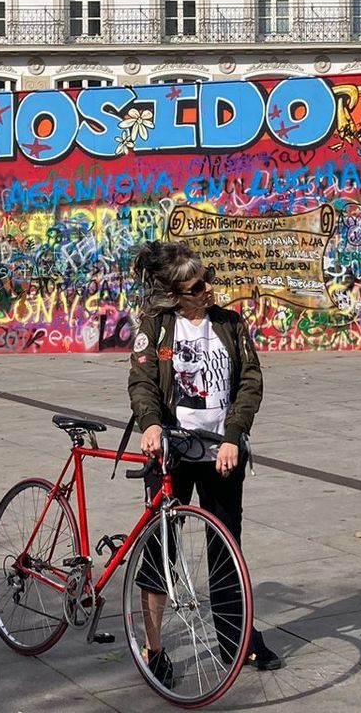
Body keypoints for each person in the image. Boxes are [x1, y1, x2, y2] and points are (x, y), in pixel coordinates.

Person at [126, 240, 282, 686]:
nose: (209, 289)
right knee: (161, 550)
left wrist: (234, 436)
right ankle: (155, 650)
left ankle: (238, 643)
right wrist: (151, 425)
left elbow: (250, 382)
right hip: (172, 454)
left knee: (227, 549)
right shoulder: (155, 327)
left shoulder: (230, 324)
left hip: (221, 456)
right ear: (175, 294)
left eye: (208, 279)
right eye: (198, 286)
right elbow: (141, 382)